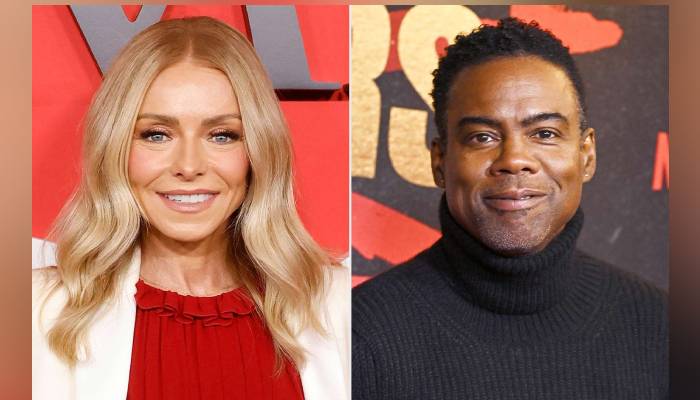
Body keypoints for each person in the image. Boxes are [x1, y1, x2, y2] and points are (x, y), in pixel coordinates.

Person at [32, 16, 349, 400]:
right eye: (156, 134)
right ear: (115, 148)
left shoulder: (337, 305)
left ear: (258, 152)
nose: (188, 165)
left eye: (222, 135)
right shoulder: (36, 311)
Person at [352, 18, 667, 399]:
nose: (515, 159)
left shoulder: (662, 328)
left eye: (544, 133)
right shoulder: (359, 336)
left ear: (586, 155)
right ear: (439, 162)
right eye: (482, 137)